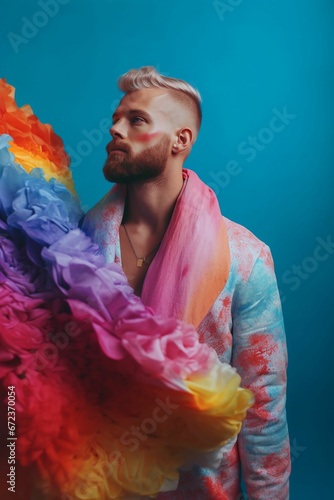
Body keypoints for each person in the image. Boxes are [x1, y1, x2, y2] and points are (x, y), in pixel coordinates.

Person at [81, 66, 291, 499]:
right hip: (93, 484)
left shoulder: (245, 257)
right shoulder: (77, 243)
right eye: (117, 117)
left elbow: (263, 407)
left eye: (136, 120)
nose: (114, 128)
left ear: (180, 141)